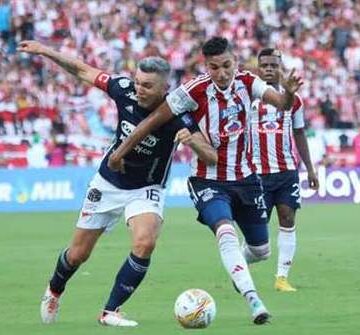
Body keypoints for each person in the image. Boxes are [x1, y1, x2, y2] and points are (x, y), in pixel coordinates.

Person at [17, 40, 217, 327]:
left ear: (165, 89)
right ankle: (54, 290)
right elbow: (82, 70)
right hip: (108, 182)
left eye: (147, 85)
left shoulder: (178, 114)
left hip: (146, 188)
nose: (139, 89)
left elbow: (211, 157)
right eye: (138, 82)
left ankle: (110, 310)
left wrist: (193, 143)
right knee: (78, 254)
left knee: (145, 242)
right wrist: (45, 51)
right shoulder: (123, 89)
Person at [108, 36, 303, 324]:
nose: (222, 73)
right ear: (205, 66)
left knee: (261, 250)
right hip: (208, 180)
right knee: (225, 231)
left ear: (235, 61)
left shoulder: (249, 83)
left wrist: (287, 92)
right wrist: (119, 152)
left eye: (227, 65)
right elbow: (152, 121)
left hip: (247, 179)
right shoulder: (192, 91)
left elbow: (283, 104)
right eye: (214, 67)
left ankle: (234, 262)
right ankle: (254, 301)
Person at [249, 48, 319, 291]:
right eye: (264, 65)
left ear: (280, 68)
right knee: (257, 235)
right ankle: (239, 264)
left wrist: (310, 168)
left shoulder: (294, 100)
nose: (269, 69)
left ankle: (281, 278)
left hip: (287, 170)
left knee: (288, 219)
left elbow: (299, 133)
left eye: (273, 65)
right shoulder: (248, 96)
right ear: (258, 68)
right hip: (257, 174)